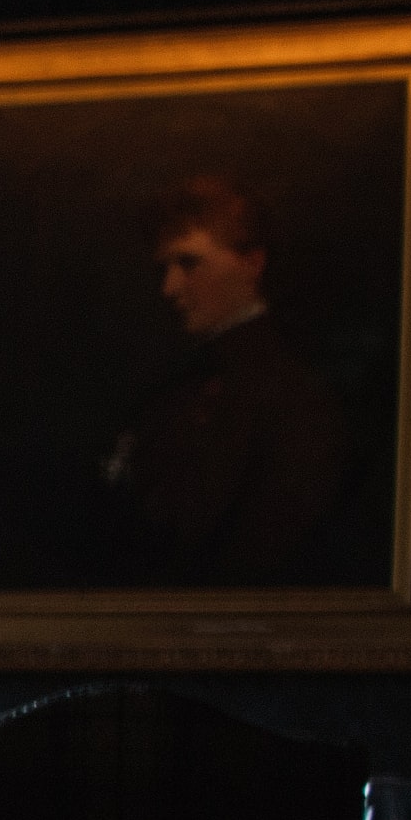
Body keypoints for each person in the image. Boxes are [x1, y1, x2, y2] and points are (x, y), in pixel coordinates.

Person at [94, 175, 345, 585]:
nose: (170, 288)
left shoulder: (293, 398)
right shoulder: (177, 385)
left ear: (252, 263)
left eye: (189, 263)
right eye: (164, 268)